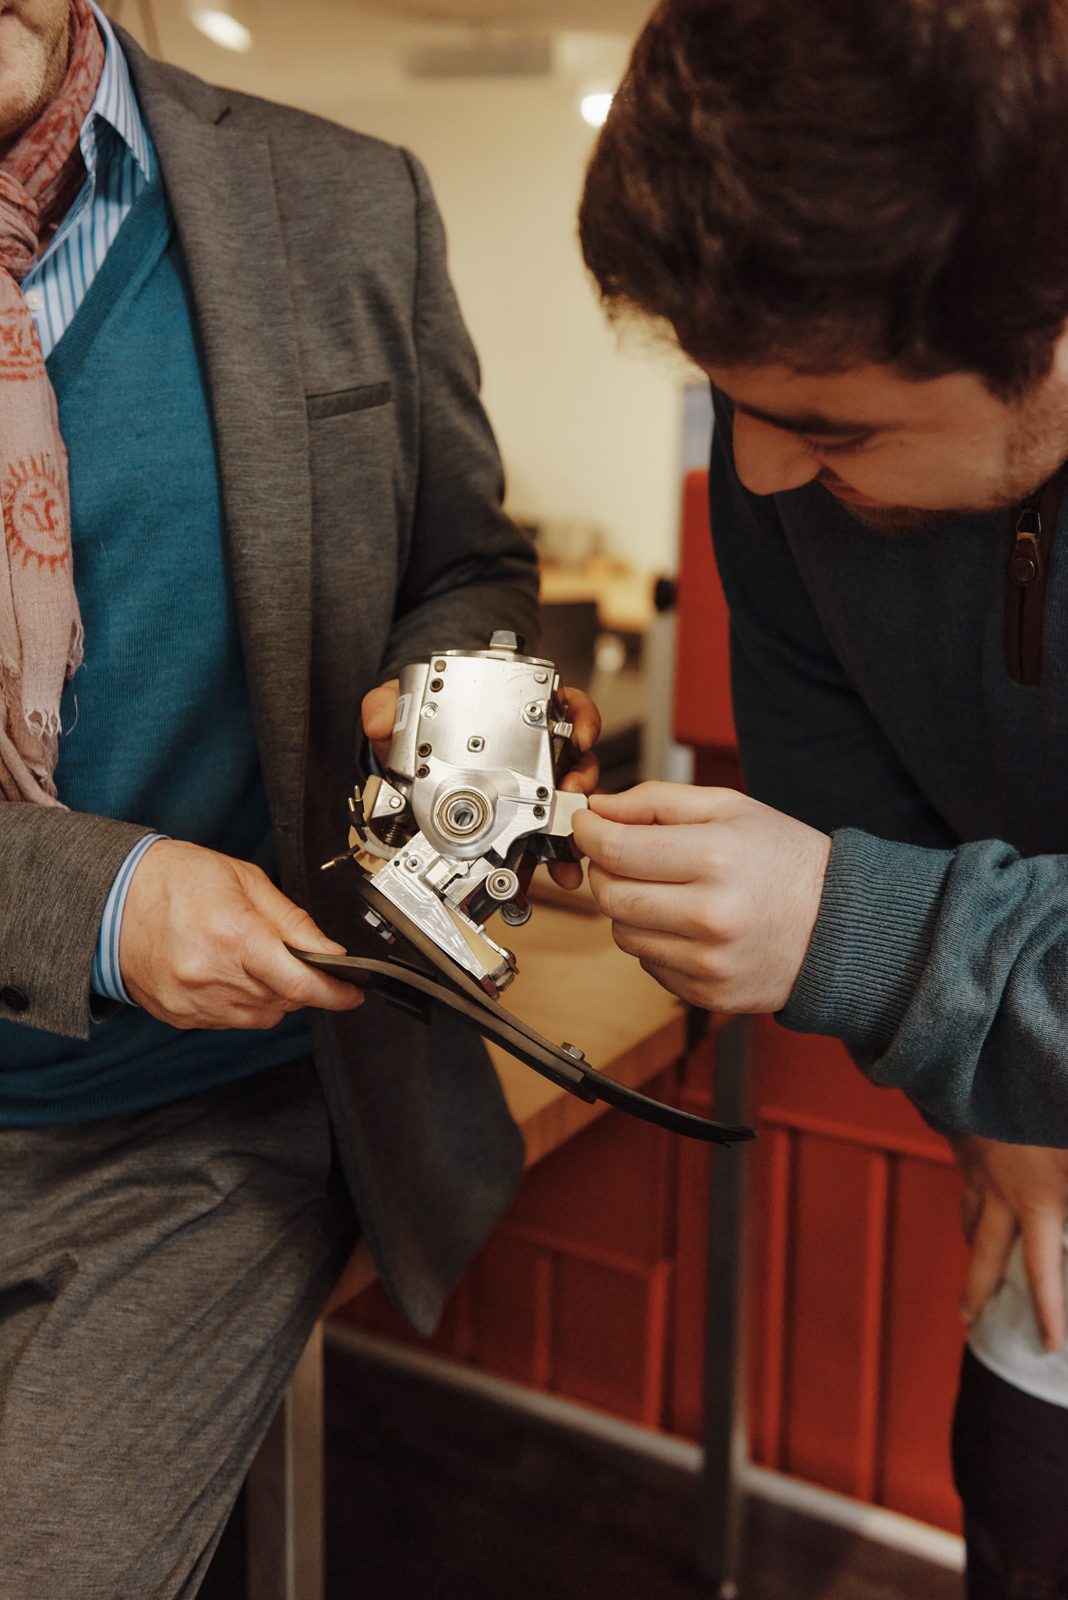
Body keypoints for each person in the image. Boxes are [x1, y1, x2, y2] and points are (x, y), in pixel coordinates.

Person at [0, 3, 598, 1594]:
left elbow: (464, 563)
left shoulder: (349, 201)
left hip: (199, 1131)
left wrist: (464, 715)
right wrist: (108, 907)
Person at [574, 0, 1068, 1591]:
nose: (766, 482)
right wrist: (1009, 1117)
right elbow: (845, 783)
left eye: (829, 426)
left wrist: (862, 929)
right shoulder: (778, 457)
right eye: (737, 406)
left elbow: (870, 904)